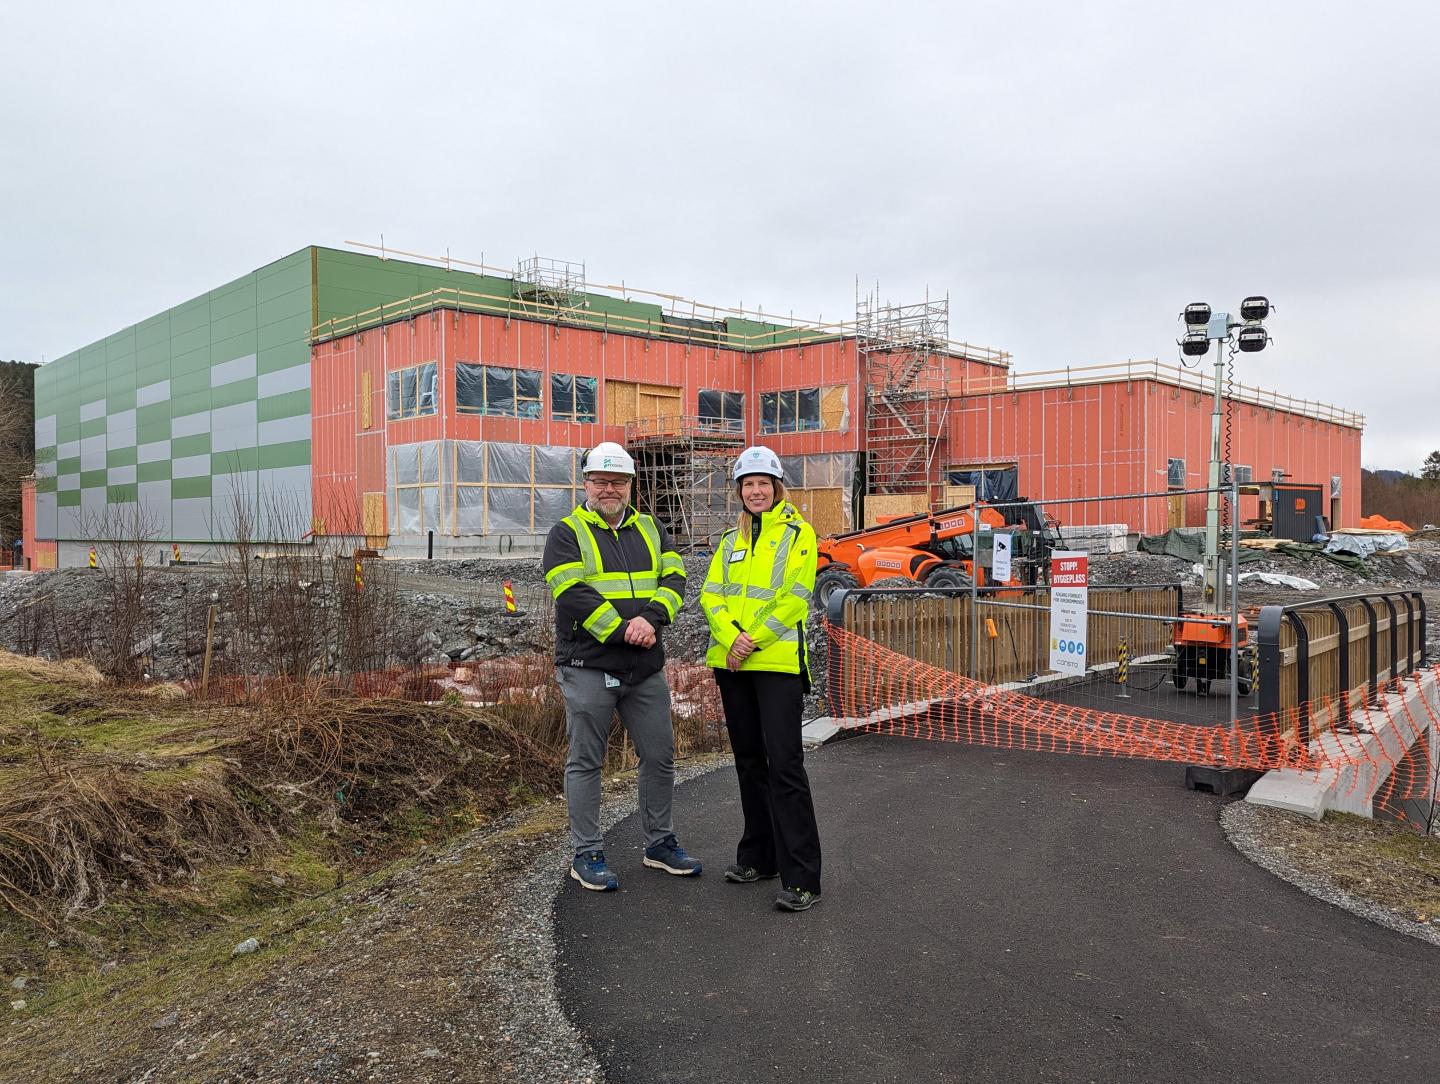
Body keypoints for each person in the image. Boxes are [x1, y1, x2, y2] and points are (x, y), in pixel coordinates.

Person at [543, 441, 701, 891]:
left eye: (618, 482)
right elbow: (570, 592)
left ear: (631, 485)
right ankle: (587, 853)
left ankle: (659, 844)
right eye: (600, 481)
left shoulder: (652, 528)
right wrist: (622, 629)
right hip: (589, 666)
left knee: (660, 755)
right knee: (586, 761)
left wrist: (651, 619)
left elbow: (675, 577)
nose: (609, 489)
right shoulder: (567, 533)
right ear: (586, 484)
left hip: (644, 667)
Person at [700, 445, 822, 912]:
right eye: (748, 484)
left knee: (785, 767)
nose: (756, 491)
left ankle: (803, 878)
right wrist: (731, 638)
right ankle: (759, 856)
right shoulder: (730, 540)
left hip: (775, 665)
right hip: (733, 664)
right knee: (749, 764)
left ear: (776, 488)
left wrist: (750, 639)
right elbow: (711, 595)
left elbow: (796, 596)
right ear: (740, 491)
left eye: (763, 483)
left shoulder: (798, 533)